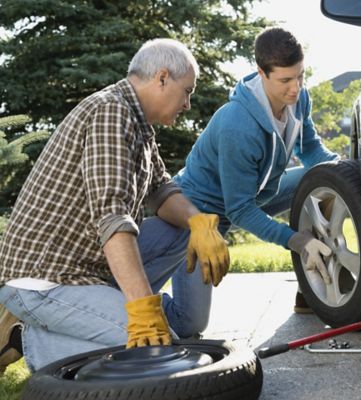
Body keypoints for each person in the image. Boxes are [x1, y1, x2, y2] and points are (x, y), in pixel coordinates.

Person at [0, 38, 230, 373]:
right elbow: (113, 216)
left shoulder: (139, 124)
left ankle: (105, 314)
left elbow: (161, 190)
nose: (188, 104)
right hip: (42, 280)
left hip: (85, 268)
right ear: (162, 78)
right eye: (187, 91)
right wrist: (141, 309)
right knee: (155, 354)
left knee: (179, 232)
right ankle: (24, 339)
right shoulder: (111, 111)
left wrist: (198, 222)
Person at [173, 27, 339, 313]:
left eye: (300, 75)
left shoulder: (299, 99)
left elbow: (310, 148)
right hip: (200, 212)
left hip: (254, 195)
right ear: (261, 73)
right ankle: (126, 309)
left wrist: (343, 170)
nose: (296, 87)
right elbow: (238, 210)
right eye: (285, 80)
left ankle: (311, 288)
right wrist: (294, 240)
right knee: (190, 323)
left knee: (327, 177)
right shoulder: (238, 125)